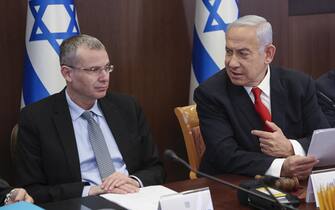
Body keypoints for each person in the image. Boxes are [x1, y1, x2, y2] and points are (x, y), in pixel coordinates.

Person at [15, 34, 165, 203]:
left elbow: (156, 168)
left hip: (134, 198)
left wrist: (133, 180)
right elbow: (32, 190)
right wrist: (90, 191)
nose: (104, 77)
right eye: (94, 70)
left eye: (107, 68)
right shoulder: (36, 118)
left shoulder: (127, 107)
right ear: (67, 73)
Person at [194, 15, 329, 179]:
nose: (232, 63)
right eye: (229, 52)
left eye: (243, 54)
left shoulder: (299, 85)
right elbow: (225, 155)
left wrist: (290, 147)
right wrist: (281, 167)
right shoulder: (210, 93)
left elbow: (324, 141)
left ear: (268, 54)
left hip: (295, 186)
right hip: (232, 184)